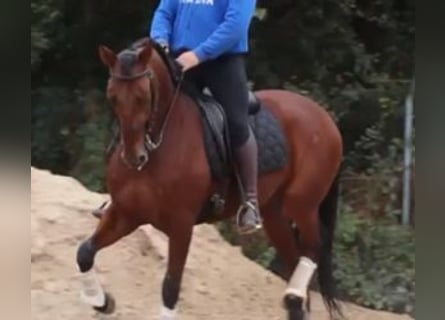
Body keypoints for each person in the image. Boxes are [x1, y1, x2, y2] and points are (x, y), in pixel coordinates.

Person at [94, 0, 262, 235]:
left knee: (236, 122)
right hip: (178, 59)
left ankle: (249, 202)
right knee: (141, 111)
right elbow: (165, 11)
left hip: (222, 62)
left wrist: (199, 54)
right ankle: (121, 195)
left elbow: (235, 26)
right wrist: (160, 41)